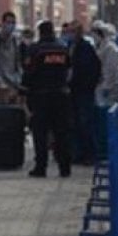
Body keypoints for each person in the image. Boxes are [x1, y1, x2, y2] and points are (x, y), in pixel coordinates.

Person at [22, 21, 72, 178]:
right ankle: (65, 167)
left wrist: (24, 88)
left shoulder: (35, 49)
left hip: (41, 96)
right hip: (61, 95)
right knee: (61, 132)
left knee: (40, 133)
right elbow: (69, 70)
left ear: (41, 33)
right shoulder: (63, 49)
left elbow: (28, 72)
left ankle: (41, 167)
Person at [67, 21, 101, 165]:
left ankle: (90, 154)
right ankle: (78, 153)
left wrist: (87, 85)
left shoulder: (86, 48)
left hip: (84, 90)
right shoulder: (70, 47)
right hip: (73, 91)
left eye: (73, 31)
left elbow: (92, 69)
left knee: (85, 122)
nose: (70, 34)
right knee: (75, 123)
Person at [92, 22, 118, 161]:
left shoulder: (110, 49)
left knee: (107, 123)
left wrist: (108, 87)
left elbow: (113, 71)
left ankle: (107, 151)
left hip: (109, 90)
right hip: (102, 88)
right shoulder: (103, 47)